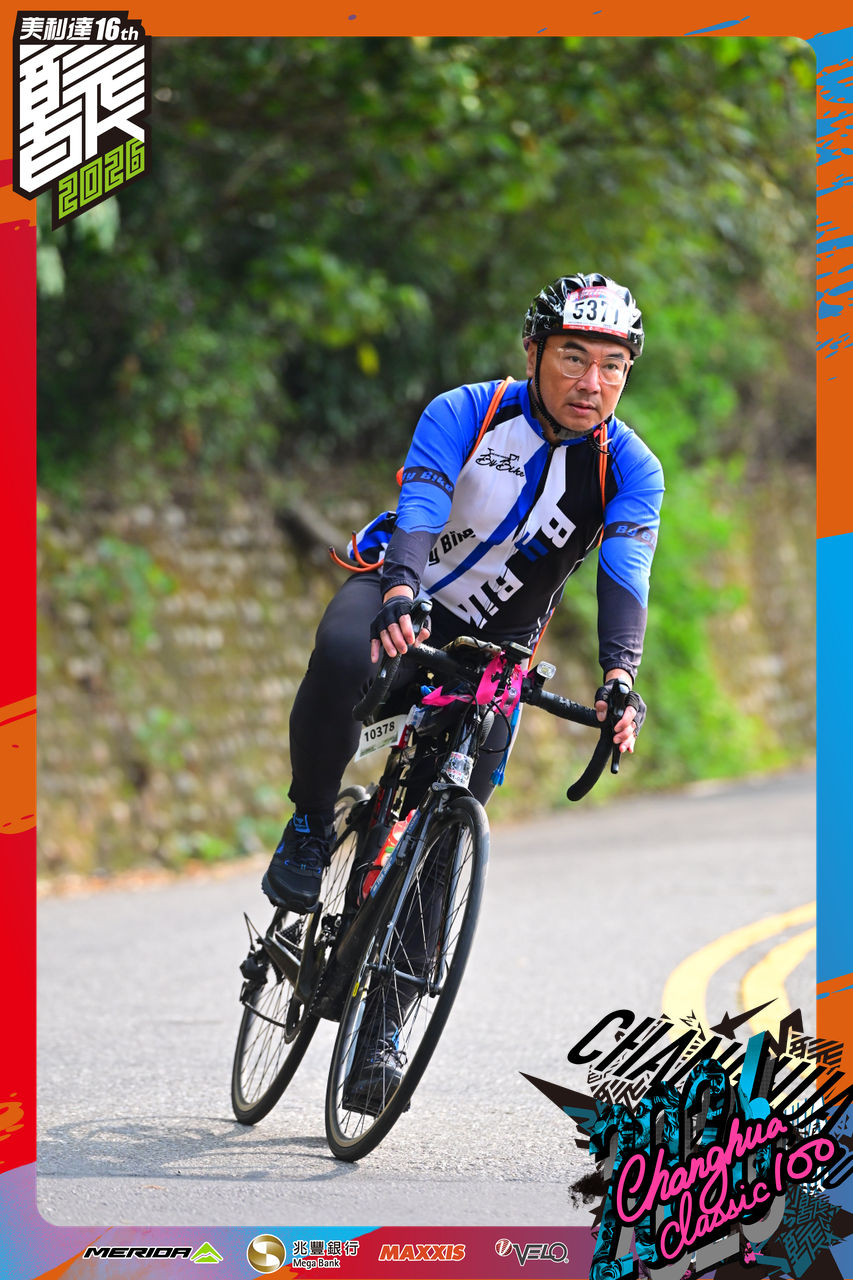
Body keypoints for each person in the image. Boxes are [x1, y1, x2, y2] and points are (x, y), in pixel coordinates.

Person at [263, 270, 664, 913]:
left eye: (612, 366)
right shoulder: (466, 411)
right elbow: (422, 504)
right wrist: (399, 589)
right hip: (403, 594)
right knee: (342, 657)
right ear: (533, 353)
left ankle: (399, 973)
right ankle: (309, 827)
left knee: (446, 852)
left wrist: (620, 676)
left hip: (496, 650)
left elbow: (626, 570)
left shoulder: (631, 468)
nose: (592, 383)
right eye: (573, 357)